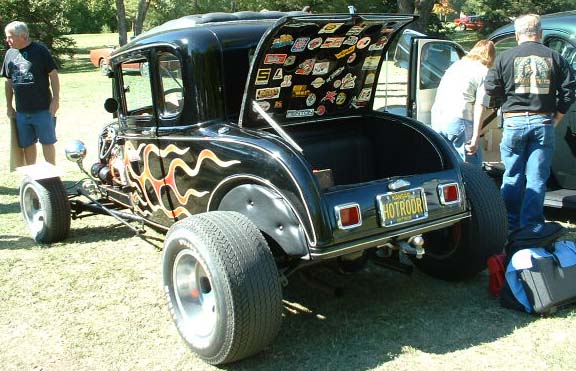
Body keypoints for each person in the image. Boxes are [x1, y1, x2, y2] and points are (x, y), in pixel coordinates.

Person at [485, 14, 575, 233]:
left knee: (512, 175)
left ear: (517, 35)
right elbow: (568, 91)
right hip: (543, 121)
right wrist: (557, 118)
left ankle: (509, 224)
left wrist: (501, 104)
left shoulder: (505, 58)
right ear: (540, 33)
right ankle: (532, 226)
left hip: (514, 123)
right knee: (536, 178)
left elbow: (490, 89)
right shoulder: (555, 56)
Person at [1, 21, 60, 165]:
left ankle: (52, 176)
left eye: (10, 37)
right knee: (27, 144)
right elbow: (8, 82)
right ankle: (32, 176)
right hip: (21, 112)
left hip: (43, 109)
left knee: (47, 142)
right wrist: (9, 105)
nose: (7, 40)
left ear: (22, 36)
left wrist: (55, 99)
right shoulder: (9, 54)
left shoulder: (40, 50)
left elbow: (53, 74)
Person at [431, 39, 496, 167]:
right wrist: (476, 137)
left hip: (438, 117)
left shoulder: (456, 65)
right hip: (458, 119)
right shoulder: (484, 72)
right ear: (491, 56)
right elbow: (480, 106)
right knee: (472, 169)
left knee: (448, 164)